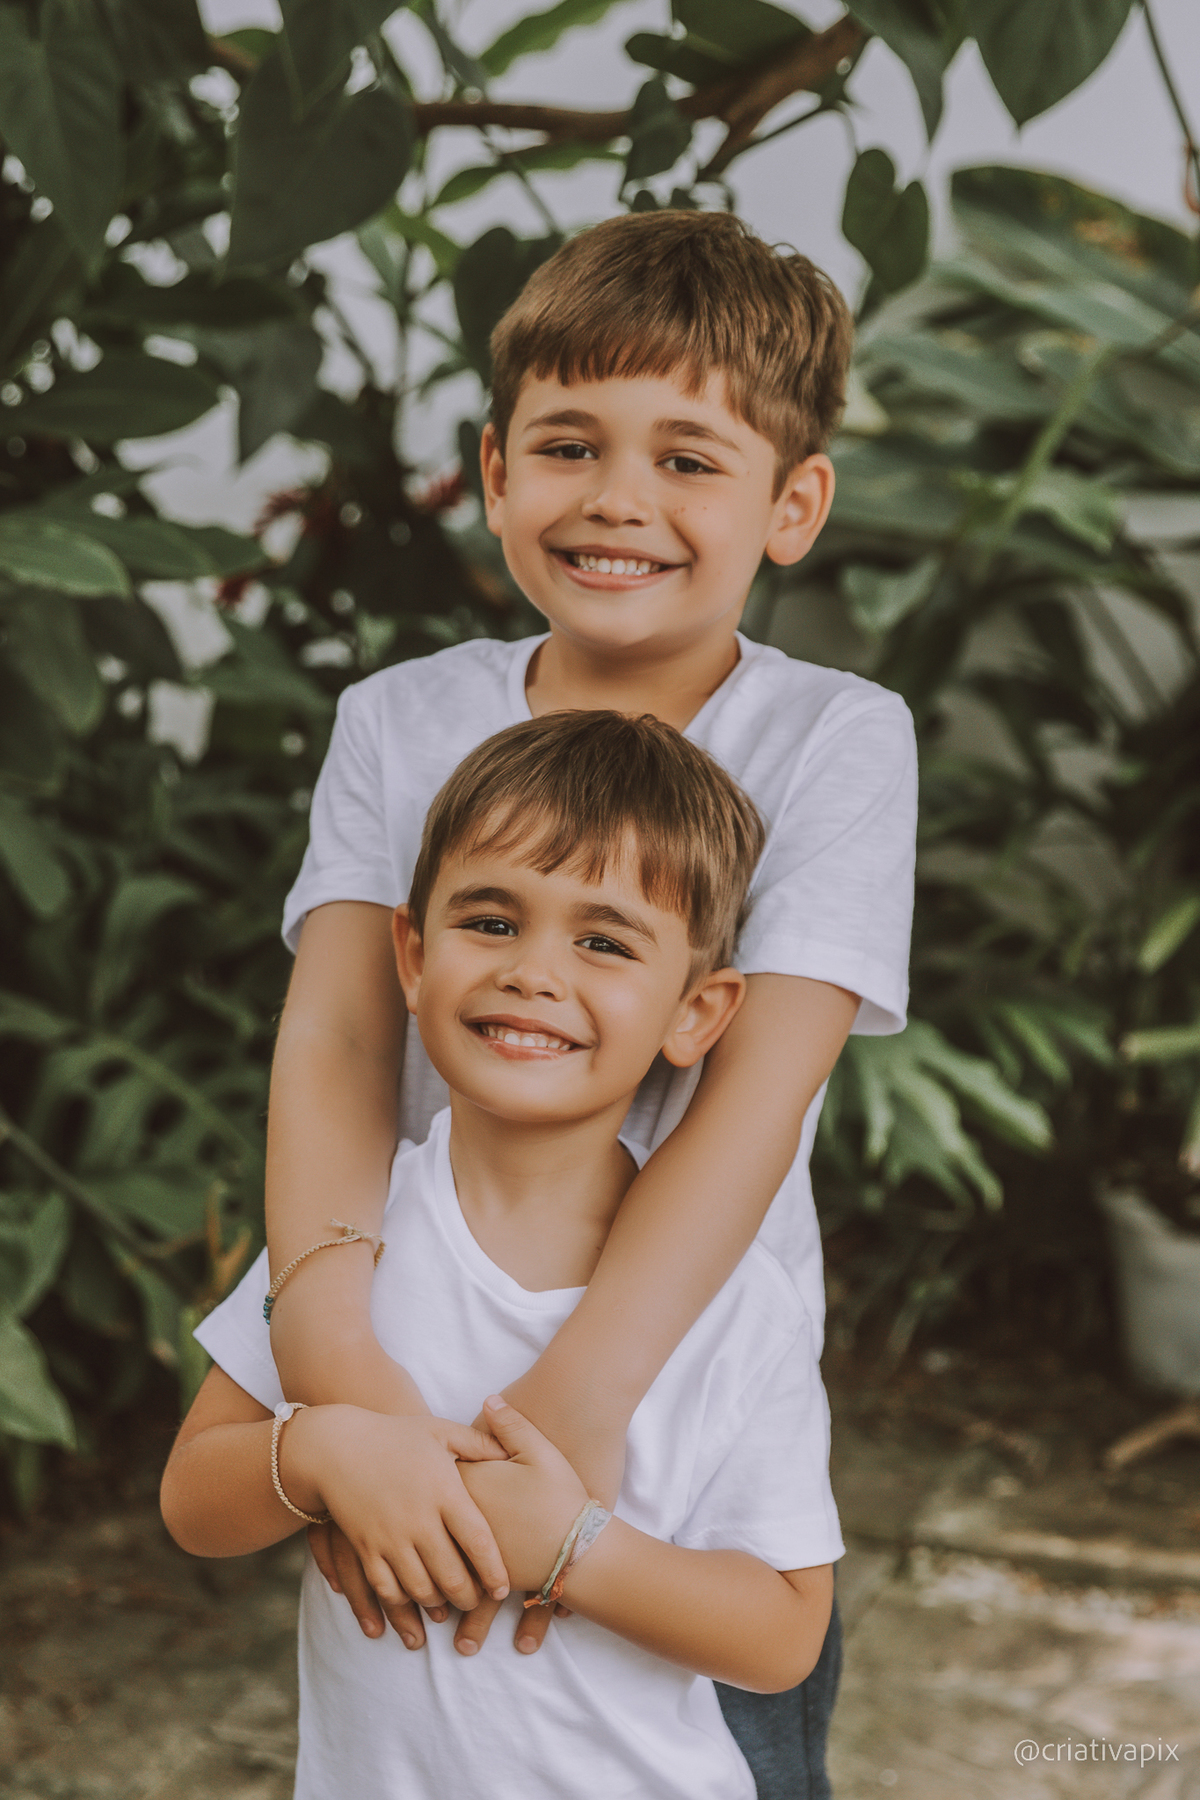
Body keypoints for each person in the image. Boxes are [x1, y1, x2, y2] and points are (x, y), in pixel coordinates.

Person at [260, 209, 917, 1795]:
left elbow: (758, 1093)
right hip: (415, 1358)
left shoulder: (837, 738)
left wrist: (581, 1402)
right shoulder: (398, 720)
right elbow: (338, 1038)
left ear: (793, 505)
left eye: (688, 458)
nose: (619, 498)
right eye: (569, 445)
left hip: (674, 1386)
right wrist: (349, 1391)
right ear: (495, 473)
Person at [161, 711, 843, 1800]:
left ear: (697, 1012)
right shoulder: (344, 1246)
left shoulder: (733, 1305)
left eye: (604, 942)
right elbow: (194, 1502)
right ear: (413, 957)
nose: (534, 971)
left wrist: (572, 1547)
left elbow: (785, 1635)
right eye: (491, 920)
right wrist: (324, 1452)